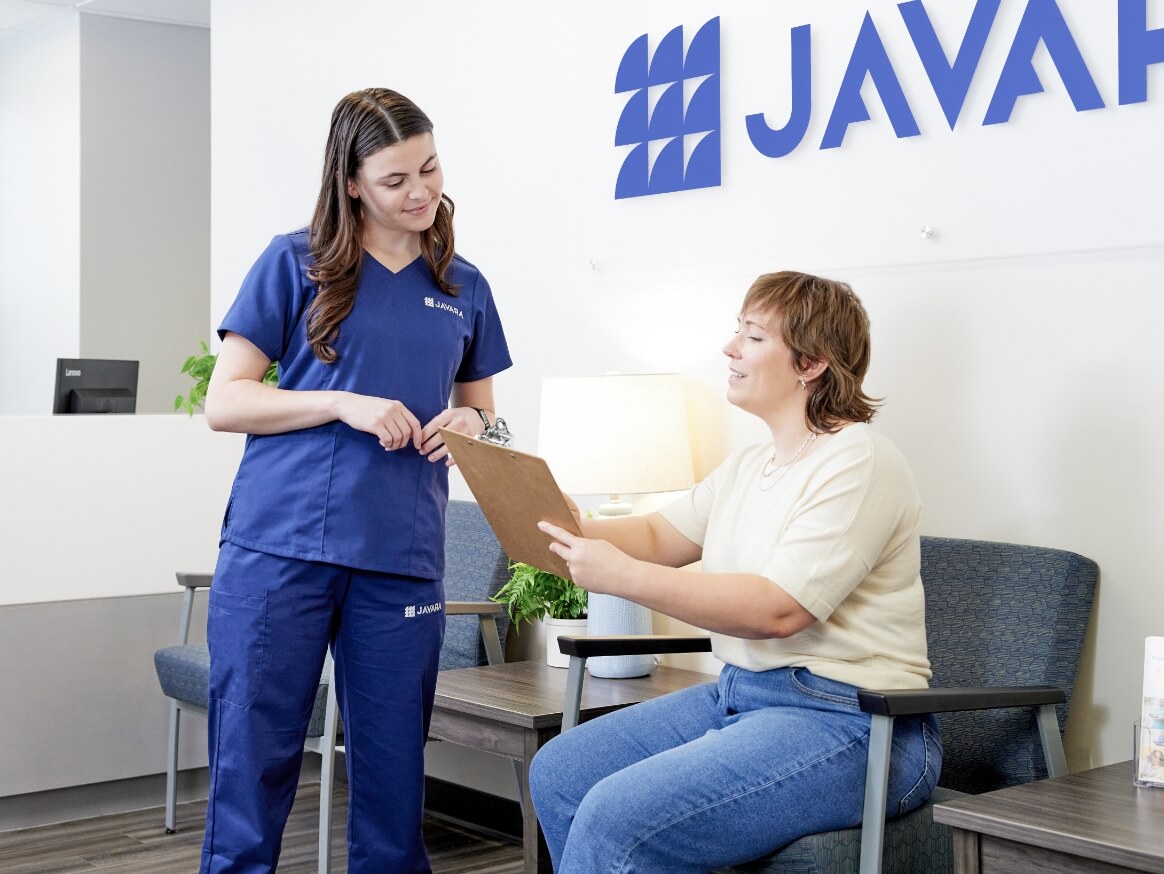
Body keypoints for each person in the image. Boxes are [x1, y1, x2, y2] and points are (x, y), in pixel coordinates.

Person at [530, 271, 941, 873]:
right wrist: (569, 522)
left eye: (752, 336)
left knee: (618, 818)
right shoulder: (751, 464)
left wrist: (619, 576)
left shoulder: (861, 459)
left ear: (811, 363)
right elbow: (655, 536)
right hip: (741, 696)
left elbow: (778, 609)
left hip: (854, 721)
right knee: (561, 771)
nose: (729, 349)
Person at [200, 88, 512, 873]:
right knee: (254, 761)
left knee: (393, 778)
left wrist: (474, 427)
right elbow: (225, 401)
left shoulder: (463, 285)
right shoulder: (293, 261)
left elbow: (488, 417)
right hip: (281, 546)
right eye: (395, 179)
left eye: (430, 169)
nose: (420, 192)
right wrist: (341, 401)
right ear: (350, 182)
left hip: (399, 552)